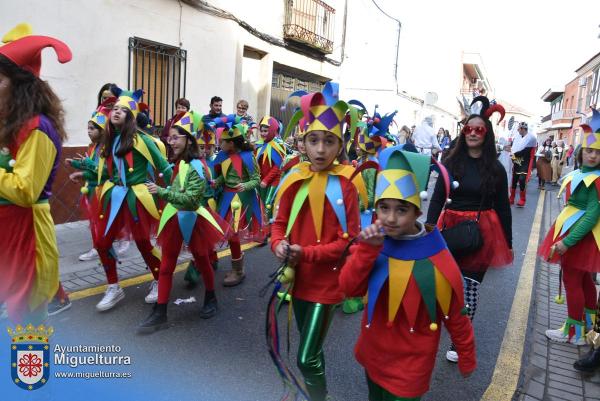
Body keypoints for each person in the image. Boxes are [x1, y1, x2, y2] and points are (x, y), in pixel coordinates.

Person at [339, 146, 476, 400]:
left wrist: (466, 355)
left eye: (401, 209)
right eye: (384, 208)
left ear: (417, 211)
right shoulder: (373, 242)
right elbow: (349, 289)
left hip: (409, 369)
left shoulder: (437, 258)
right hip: (373, 357)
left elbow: (455, 313)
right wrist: (366, 252)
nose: (390, 218)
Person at [270, 88, 367, 401]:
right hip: (298, 281)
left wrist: (306, 253)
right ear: (303, 142)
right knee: (309, 349)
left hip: (327, 284)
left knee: (305, 356)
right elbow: (279, 225)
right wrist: (278, 246)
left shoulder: (348, 183)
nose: (321, 149)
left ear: (341, 144)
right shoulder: (294, 176)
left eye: (329, 141)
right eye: (314, 140)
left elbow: (347, 240)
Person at [427, 96, 513, 363]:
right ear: (463, 132)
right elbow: (438, 196)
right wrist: (429, 228)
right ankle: (432, 331)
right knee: (443, 284)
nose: (473, 133)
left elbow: (503, 207)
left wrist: (507, 241)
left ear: (486, 135)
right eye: (468, 129)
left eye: (479, 130)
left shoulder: (496, 169)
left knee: (469, 288)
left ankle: (458, 340)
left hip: (481, 233)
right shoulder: (451, 164)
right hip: (449, 230)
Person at [0, 23, 72, 323]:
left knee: (27, 323)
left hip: (26, 235)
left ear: (20, 85)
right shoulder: (12, 124)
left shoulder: (38, 128)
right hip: (8, 232)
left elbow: (26, 189)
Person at [138, 111, 226, 333]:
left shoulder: (197, 166)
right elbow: (178, 189)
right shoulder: (180, 163)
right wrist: (165, 190)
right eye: (170, 137)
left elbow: (191, 200)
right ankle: (160, 312)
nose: (171, 141)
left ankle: (211, 297)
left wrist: (161, 192)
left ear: (188, 139)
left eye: (176, 137)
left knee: (202, 259)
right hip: (174, 219)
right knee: (167, 266)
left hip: (193, 220)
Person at [93, 87, 173, 311]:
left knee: (143, 243)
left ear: (131, 117)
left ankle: (159, 280)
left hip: (136, 198)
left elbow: (164, 167)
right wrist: (84, 170)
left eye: (123, 110)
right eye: (114, 109)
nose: (116, 112)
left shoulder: (142, 141)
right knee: (102, 242)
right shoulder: (108, 140)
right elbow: (104, 170)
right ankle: (113, 287)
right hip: (113, 195)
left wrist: (178, 192)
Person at [539, 109, 600, 345]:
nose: (593, 156)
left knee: (573, 281)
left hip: (579, 237)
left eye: (598, 152)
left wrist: (567, 241)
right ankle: (587, 328)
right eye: (589, 150)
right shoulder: (580, 173)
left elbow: (593, 214)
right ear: (581, 151)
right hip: (577, 234)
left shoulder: (595, 179)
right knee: (584, 280)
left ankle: (573, 332)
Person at [213, 120, 265, 286]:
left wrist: (245, 185)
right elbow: (226, 176)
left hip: (240, 201)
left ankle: (238, 270)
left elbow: (256, 179)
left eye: (223, 141)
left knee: (234, 235)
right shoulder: (224, 157)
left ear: (232, 143)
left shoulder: (248, 157)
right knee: (228, 235)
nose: (219, 143)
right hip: (226, 199)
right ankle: (236, 266)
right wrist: (217, 182)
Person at [255, 116, 286, 219]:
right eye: (262, 131)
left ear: (272, 130)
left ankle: (269, 228)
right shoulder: (258, 145)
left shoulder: (279, 145)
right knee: (262, 203)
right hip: (261, 180)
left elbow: (278, 166)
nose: (263, 133)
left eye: (266, 131)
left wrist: (266, 180)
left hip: (274, 180)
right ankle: (264, 227)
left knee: (269, 203)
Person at [510, 122, 536, 207]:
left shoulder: (531, 138)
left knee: (521, 180)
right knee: (514, 180)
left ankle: (522, 199)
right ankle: (511, 198)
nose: (518, 131)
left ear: (523, 129)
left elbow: (524, 152)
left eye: (519, 129)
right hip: (517, 161)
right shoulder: (517, 137)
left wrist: (513, 154)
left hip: (525, 163)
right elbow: (513, 148)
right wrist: (512, 157)